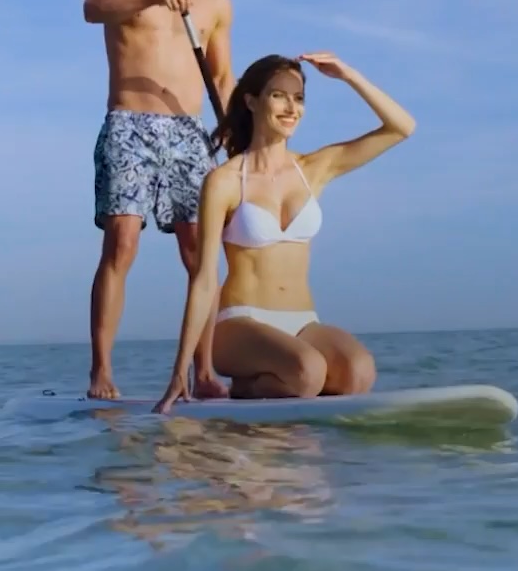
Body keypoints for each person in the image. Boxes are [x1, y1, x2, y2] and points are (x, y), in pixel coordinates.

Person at [153, 51, 415, 414]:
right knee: (307, 372)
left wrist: (348, 75)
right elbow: (203, 279)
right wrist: (182, 370)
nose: (292, 107)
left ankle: (286, 400)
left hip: (304, 323)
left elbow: (402, 127)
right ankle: (249, 388)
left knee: (358, 373)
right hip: (240, 323)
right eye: (279, 95)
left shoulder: (314, 169)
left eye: (299, 98)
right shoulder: (225, 181)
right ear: (252, 101)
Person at [81, 0, 234, 401]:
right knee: (122, 242)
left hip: (190, 132)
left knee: (200, 252)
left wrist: (239, 133)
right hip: (130, 124)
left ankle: (205, 371)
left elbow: (223, 76)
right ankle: (101, 371)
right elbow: (93, 7)